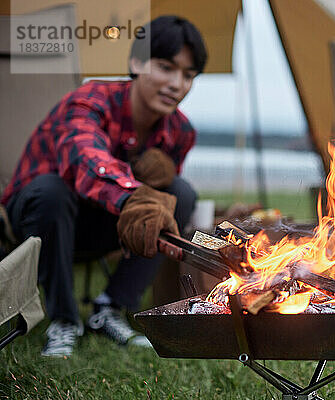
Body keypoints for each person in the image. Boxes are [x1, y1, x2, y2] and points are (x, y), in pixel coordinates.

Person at [0, 16, 206, 357]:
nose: (176, 83)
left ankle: (110, 308)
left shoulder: (181, 132)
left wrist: (156, 185)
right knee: (52, 189)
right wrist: (134, 195)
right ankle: (63, 320)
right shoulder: (89, 99)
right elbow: (84, 157)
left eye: (188, 75)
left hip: (104, 225)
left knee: (179, 193)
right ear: (136, 62)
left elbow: (158, 207)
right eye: (166, 67)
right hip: (37, 220)